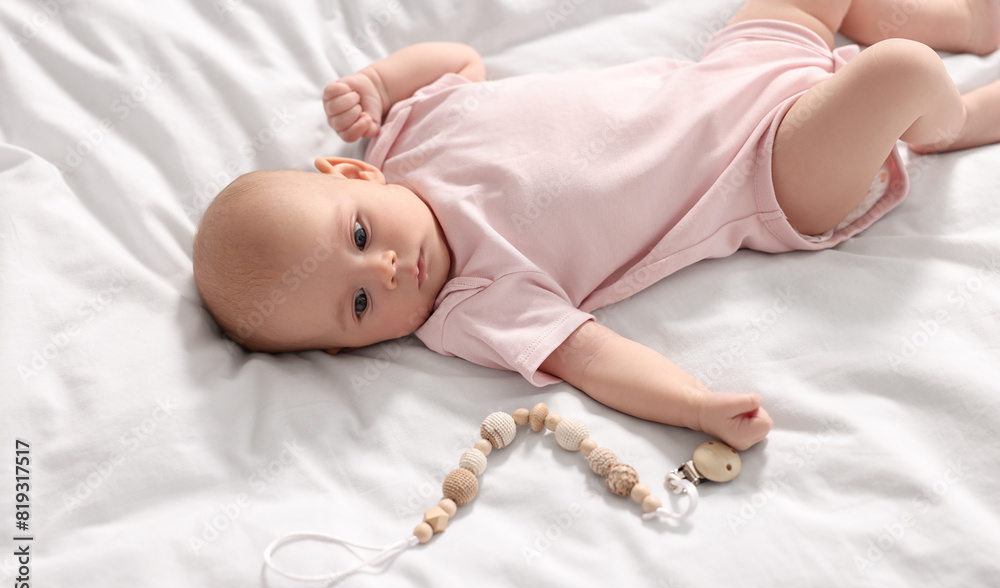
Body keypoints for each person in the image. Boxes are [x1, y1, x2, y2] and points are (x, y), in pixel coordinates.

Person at [192, 0, 1000, 451]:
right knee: (899, 73)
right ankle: (949, 120)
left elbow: (463, 63)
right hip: (772, 168)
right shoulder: (473, 303)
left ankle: (965, 23)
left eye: (361, 238)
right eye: (361, 306)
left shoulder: (408, 132)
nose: (389, 272)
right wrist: (693, 404)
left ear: (352, 172)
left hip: (735, 69)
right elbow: (594, 357)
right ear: (351, 348)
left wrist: (376, 79)